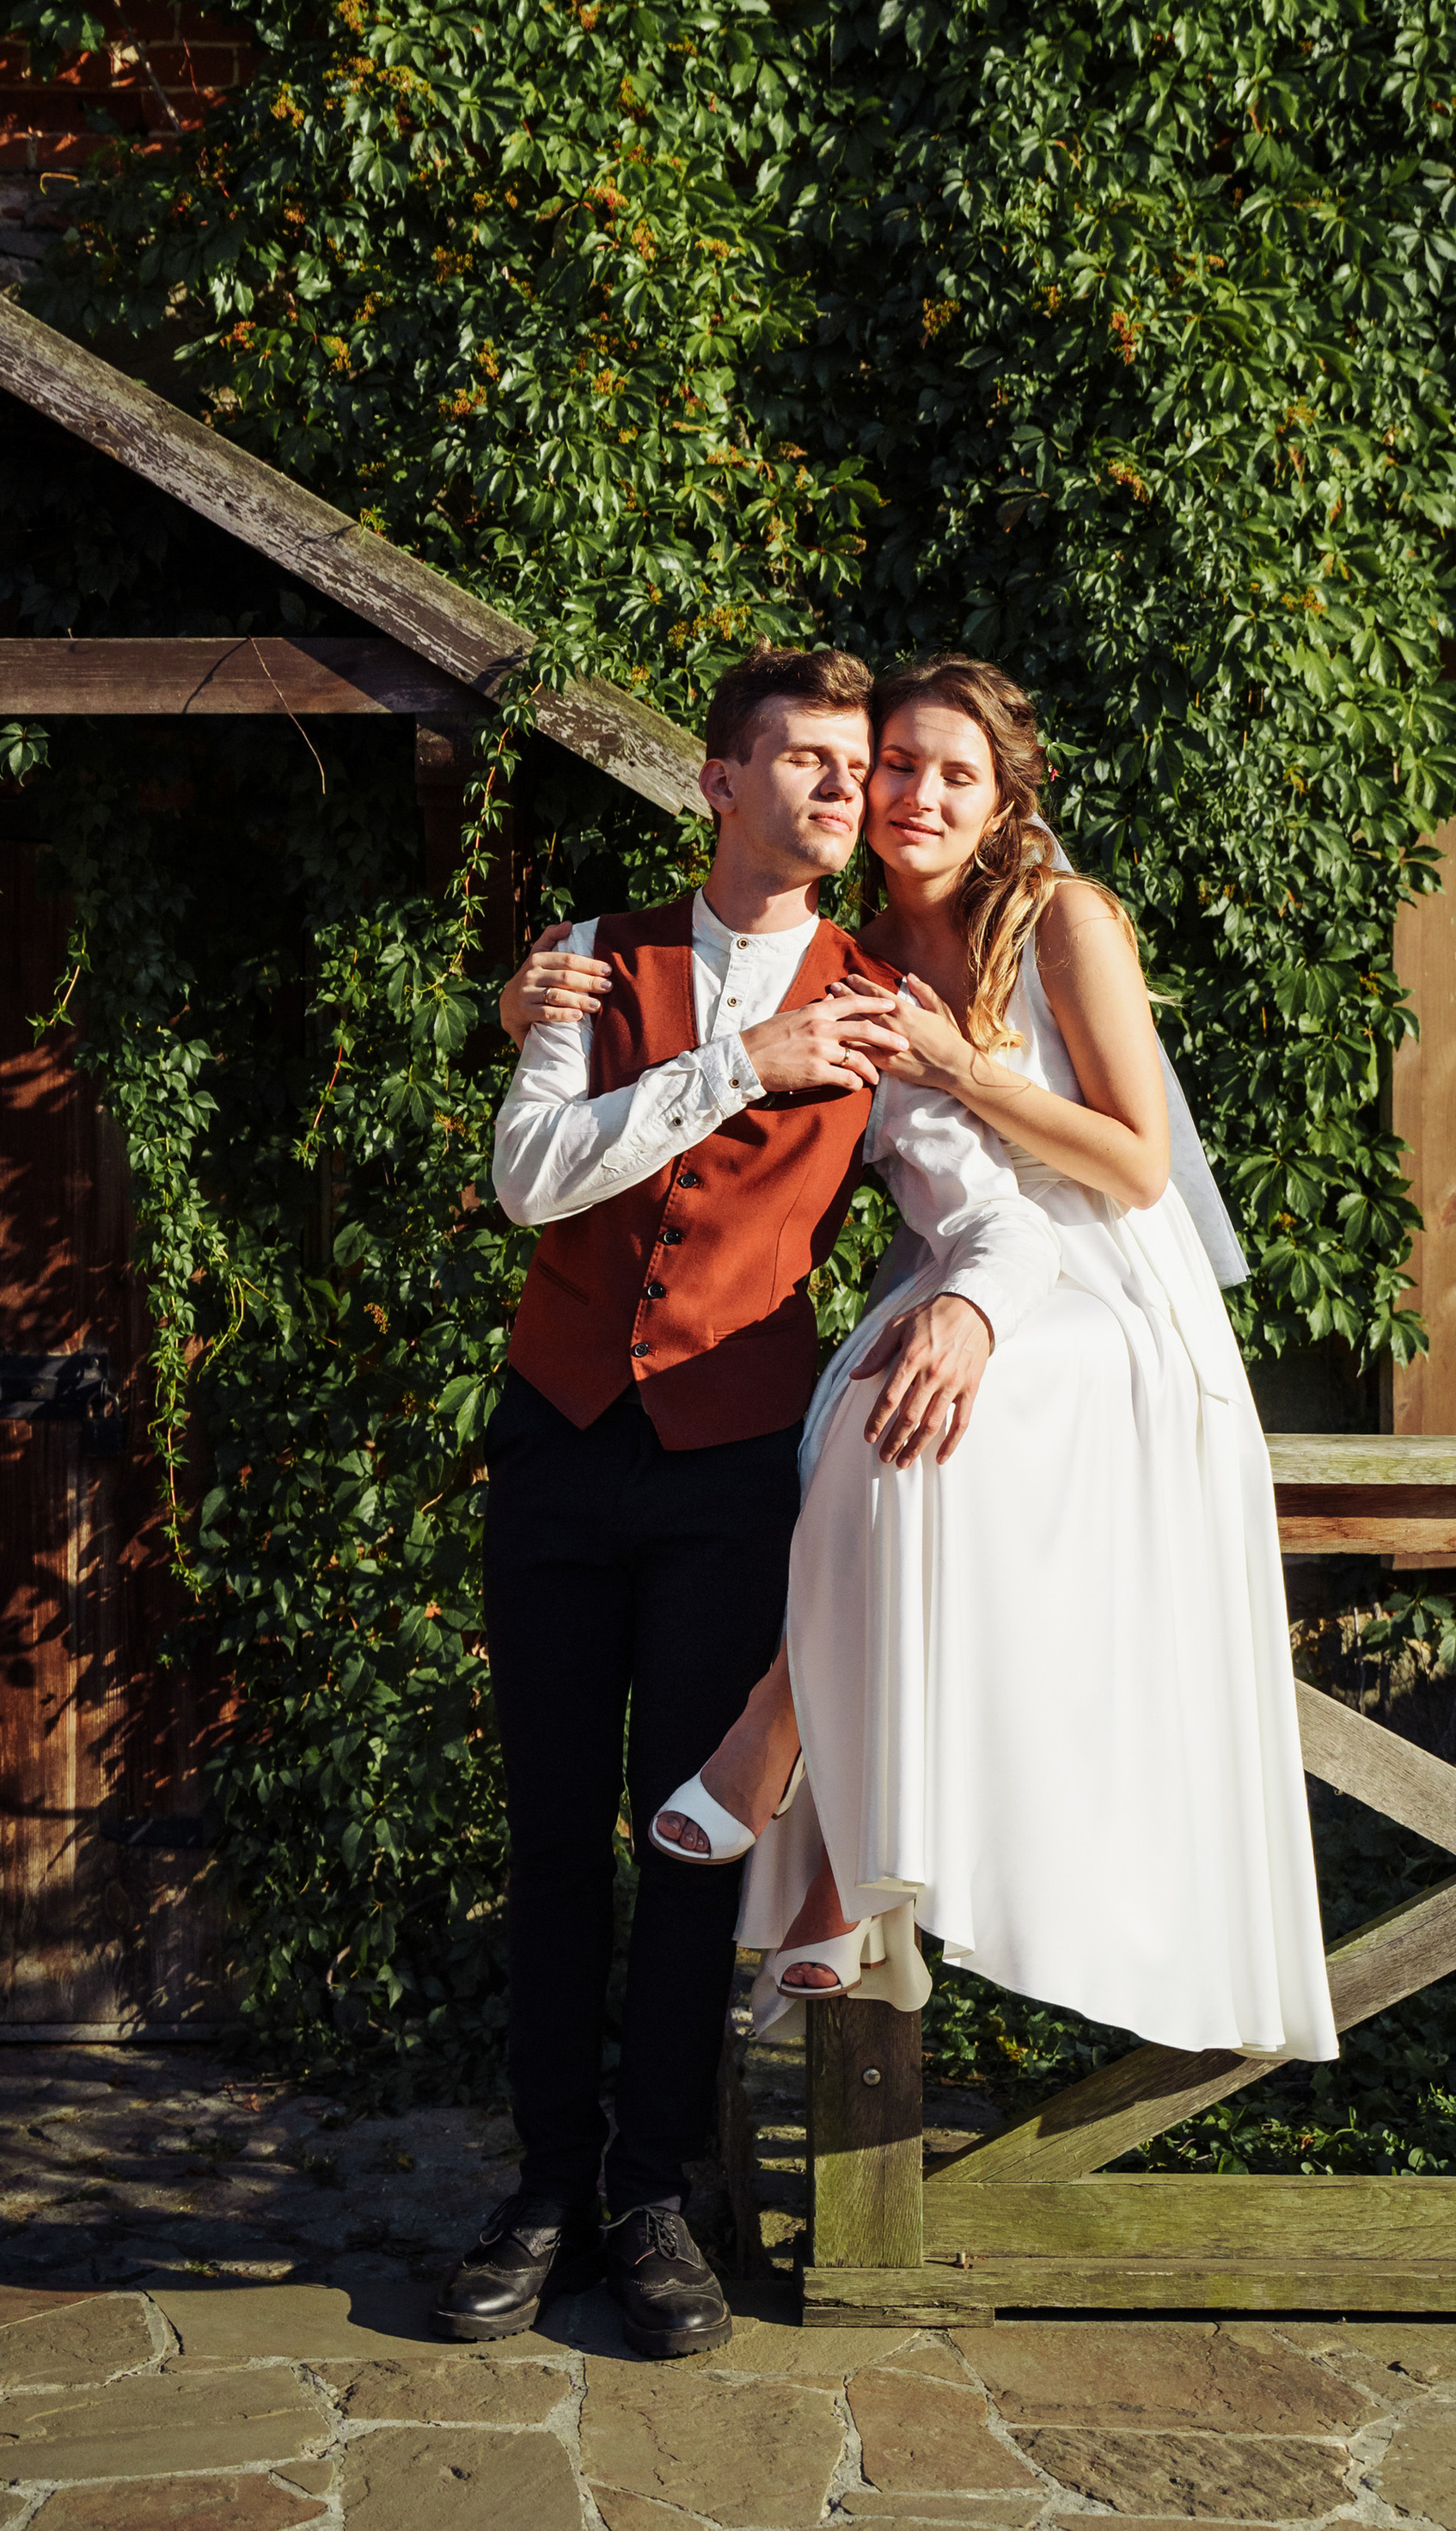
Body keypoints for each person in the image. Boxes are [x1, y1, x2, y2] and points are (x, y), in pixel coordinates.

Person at [517, 652, 1338, 2066]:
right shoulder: (803, 966)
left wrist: (965, 1097)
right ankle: (835, 1856)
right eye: (891, 763)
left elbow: (1131, 1174)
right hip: (694, 1368)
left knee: (897, 1440)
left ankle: (797, 1776)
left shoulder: (1059, 920)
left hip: (1107, 1285)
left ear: (1007, 796)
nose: (898, 791)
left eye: (950, 773)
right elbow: (535, 1172)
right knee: (864, 1434)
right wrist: (549, 1013)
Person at [430, 643, 1060, 2360]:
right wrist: (736, 1063)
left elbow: (994, 1216)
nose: (842, 791)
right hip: (556, 1443)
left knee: (681, 1836)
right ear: (716, 783)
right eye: (802, 760)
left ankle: (650, 2200)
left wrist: (967, 1303)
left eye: (855, 769)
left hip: (729, 1468)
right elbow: (525, 1178)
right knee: (548, 1832)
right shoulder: (584, 959)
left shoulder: (880, 1006)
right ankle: (540, 2192)